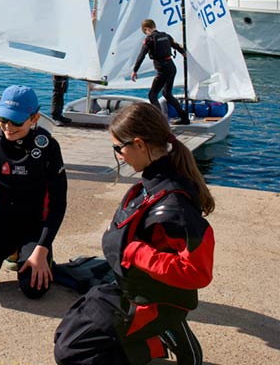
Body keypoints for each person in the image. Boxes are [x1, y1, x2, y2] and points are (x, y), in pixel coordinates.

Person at [54, 102, 214, 364]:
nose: (118, 155)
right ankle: (155, 333)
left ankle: (158, 339)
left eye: (119, 148)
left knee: (71, 354)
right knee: (65, 333)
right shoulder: (153, 181)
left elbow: (197, 272)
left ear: (139, 144)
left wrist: (134, 251)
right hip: (131, 287)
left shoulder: (175, 205)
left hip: (153, 301)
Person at [0, 85, 67, 299]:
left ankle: (25, 251)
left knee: (34, 288)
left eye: (16, 121)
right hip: (2, 220)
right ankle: (11, 251)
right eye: (3, 119)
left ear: (34, 118)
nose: (8, 127)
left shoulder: (48, 148)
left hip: (35, 224)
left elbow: (58, 204)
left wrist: (42, 249)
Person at [131, 19, 189, 125]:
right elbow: (178, 46)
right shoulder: (166, 35)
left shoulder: (149, 39)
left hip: (162, 69)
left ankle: (160, 122)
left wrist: (135, 70)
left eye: (145, 32)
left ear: (146, 29)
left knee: (152, 95)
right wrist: (184, 53)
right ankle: (184, 118)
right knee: (167, 93)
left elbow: (141, 56)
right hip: (171, 67)